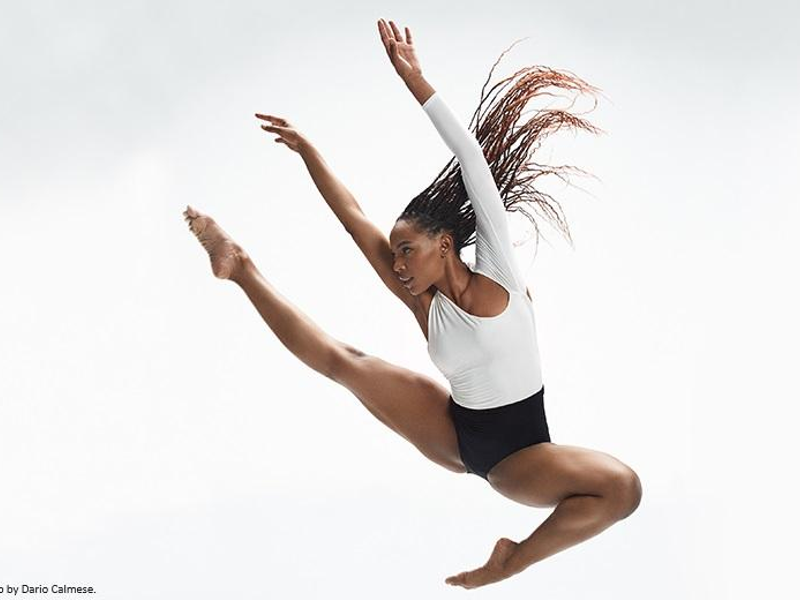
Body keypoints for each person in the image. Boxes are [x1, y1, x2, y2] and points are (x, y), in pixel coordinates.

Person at [183, 18, 642, 590]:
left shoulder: (497, 268)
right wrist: (309, 152)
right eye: (396, 253)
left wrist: (417, 83)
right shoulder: (421, 300)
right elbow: (354, 219)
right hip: (454, 432)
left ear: (445, 244)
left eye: (407, 251)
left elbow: (472, 159)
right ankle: (240, 266)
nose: (397, 264)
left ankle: (511, 561)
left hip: (518, 456)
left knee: (623, 488)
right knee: (344, 362)